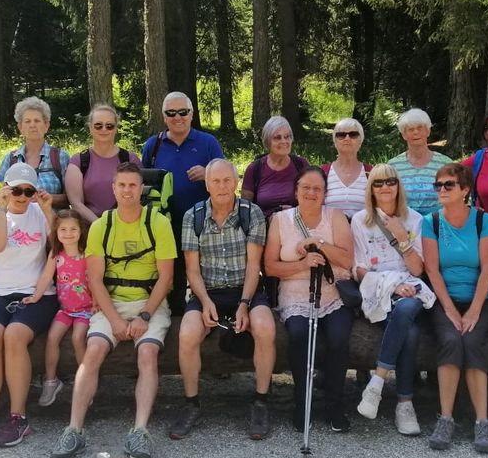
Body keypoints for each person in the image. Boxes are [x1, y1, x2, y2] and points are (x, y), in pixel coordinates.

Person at [50, 163, 176, 458]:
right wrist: (117, 320)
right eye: (122, 186)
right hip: (112, 302)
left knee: (147, 354)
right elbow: (95, 279)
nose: (128, 191)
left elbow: (166, 278)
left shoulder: (157, 223)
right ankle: (74, 428)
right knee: (93, 351)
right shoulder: (101, 226)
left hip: (150, 301)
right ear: (113, 188)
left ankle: (140, 430)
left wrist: (144, 316)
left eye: (133, 186)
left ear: (141, 189)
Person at [171, 159, 275, 440]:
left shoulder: (250, 213)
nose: (222, 187)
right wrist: (204, 302)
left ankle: (260, 400)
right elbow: (192, 269)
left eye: (227, 180)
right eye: (215, 181)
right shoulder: (194, 216)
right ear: (206, 184)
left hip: (246, 288)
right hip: (209, 290)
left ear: (236, 182)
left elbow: (255, 266)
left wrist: (244, 304)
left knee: (265, 328)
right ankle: (191, 402)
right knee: (188, 333)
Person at [0, 162, 58, 449]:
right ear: (6, 189)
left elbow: (60, 242)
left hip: (38, 292)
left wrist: (46, 209)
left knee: (14, 336)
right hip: (0, 291)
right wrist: (1, 210)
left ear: (35, 192)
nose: (21, 197)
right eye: (16, 191)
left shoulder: (39, 212)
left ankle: (18, 415)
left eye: (27, 191)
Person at [264, 166, 356, 432]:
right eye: (306, 187)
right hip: (294, 293)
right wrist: (303, 264)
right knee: (299, 335)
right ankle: (302, 403)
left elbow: (347, 260)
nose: (311, 193)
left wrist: (319, 244)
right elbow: (270, 267)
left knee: (339, 338)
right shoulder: (280, 220)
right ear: (296, 191)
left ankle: (334, 405)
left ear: (325, 193)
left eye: (317, 188)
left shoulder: (336, 217)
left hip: (333, 291)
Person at [422, 163, 488, 453]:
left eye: (449, 185)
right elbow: (432, 271)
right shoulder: (432, 222)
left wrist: (474, 310)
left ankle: (482, 421)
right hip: (445, 298)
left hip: (479, 297)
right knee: (451, 340)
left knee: (473, 341)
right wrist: (451, 310)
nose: (442, 190)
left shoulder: (482, 220)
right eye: (438, 185)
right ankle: (446, 418)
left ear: (465, 190)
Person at [351, 163, 431, 436]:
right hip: (379, 289)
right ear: (371, 189)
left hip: (411, 288)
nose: (385, 187)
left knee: (409, 306)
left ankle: (377, 381)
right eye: (378, 183)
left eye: (390, 182)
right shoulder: (360, 221)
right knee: (410, 334)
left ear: (398, 186)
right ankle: (404, 403)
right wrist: (392, 285)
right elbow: (360, 270)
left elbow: (418, 269)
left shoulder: (415, 219)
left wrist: (401, 237)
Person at [141, 91, 225, 311]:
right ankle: (174, 313)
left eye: (183, 112)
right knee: (172, 268)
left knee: (204, 267)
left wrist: (208, 172)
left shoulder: (208, 142)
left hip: (203, 218)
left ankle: (211, 311)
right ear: (164, 116)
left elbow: (225, 177)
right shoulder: (153, 145)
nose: (177, 117)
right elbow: (144, 182)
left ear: (191, 114)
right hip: (165, 220)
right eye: (171, 113)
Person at [28, 209, 93, 408]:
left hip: (86, 309)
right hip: (65, 309)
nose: (68, 233)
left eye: (73, 229)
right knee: (52, 338)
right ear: (56, 232)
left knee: (77, 338)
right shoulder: (56, 256)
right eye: (63, 229)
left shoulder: (87, 255)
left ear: (81, 231)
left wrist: (99, 303)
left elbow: (95, 280)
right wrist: (35, 296)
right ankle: (51, 380)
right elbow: (46, 277)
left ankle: (86, 384)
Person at [66, 103, 138, 222]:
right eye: (98, 125)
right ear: (90, 127)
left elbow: (138, 197)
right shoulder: (78, 161)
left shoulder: (130, 159)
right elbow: (76, 203)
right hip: (90, 231)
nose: (104, 129)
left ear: (116, 128)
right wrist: (100, 226)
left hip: (126, 227)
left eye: (109, 126)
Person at [0, 96, 71, 209]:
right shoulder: (11, 159)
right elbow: (3, 197)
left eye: (37, 120)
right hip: (19, 225)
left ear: (46, 125)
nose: (32, 125)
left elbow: (70, 199)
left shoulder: (60, 157)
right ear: (20, 127)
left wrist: (46, 198)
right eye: (27, 121)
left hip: (52, 223)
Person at [388, 108, 452, 216]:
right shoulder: (392, 166)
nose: (416, 132)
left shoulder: (445, 163)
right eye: (410, 129)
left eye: (420, 128)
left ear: (428, 131)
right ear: (404, 135)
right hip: (404, 225)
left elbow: (454, 196)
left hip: (439, 224)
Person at [241, 115, 309, 218]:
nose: (284, 141)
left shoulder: (301, 165)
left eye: (287, 136)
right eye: (277, 137)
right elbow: (245, 210)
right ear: (267, 142)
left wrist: (296, 211)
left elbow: (314, 201)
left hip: (298, 227)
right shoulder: (254, 169)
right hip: (264, 230)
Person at [323, 118, 371, 218]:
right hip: (330, 232)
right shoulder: (322, 173)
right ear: (335, 142)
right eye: (341, 135)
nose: (347, 138)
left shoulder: (371, 173)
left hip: (364, 232)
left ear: (361, 141)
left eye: (353, 134)